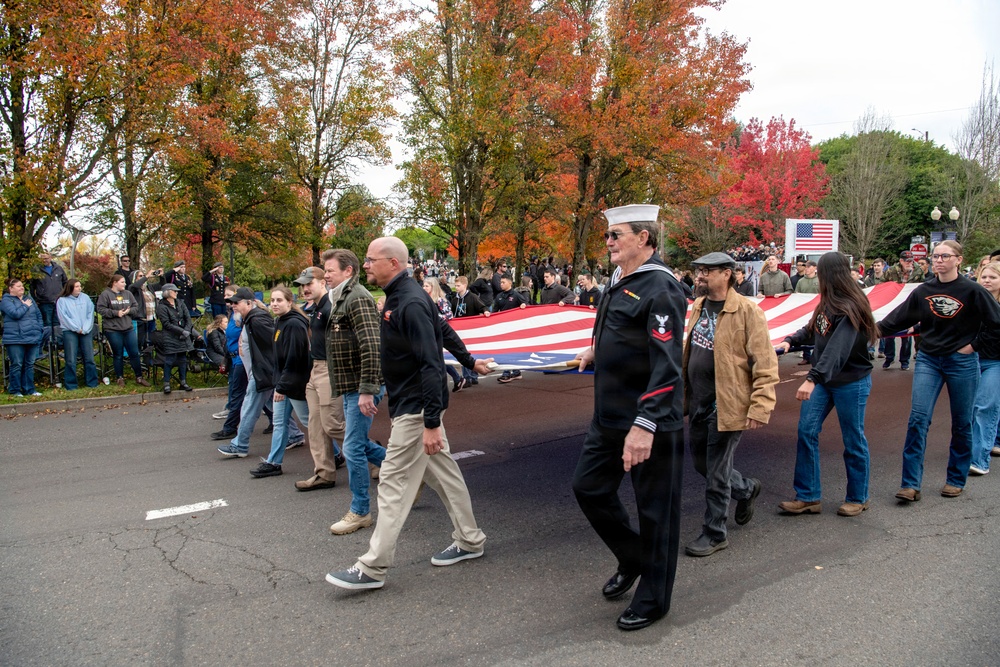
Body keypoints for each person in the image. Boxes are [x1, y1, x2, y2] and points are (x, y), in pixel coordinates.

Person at [325, 236, 492, 591]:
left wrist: (431, 423)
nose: (366, 265)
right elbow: (442, 329)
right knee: (444, 475)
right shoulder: (405, 296)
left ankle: (373, 567)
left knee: (393, 483)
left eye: (371, 260)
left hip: (416, 409)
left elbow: (431, 366)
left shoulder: (410, 301)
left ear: (394, 264)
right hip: (413, 405)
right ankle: (470, 539)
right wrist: (471, 361)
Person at [571, 204, 687, 632]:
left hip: (648, 422)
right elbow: (619, 332)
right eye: (608, 235)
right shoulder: (619, 282)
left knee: (656, 512)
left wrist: (646, 424)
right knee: (588, 488)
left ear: (645, 238)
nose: (609, 241)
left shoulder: (661, 288)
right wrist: (594, 350)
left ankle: (655, 598)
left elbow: (667, 364)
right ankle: (634, 557)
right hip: (609, 418)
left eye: (617, 234)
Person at [877, 241, 1000, 502]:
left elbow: (996, 324)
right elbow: (897, 319)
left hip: (962, 363)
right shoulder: (924, 291)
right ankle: (910, 484)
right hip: (929, 361)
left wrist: (973, 346)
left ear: (959, 259)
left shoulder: (973, 291)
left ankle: (955, 479)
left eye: (945, 256)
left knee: (962, 422)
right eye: (936, 256)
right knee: (918, 419)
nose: (939, 260)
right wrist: (866, 328)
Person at [681, 252, 778, 557]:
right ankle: (747, 489)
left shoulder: (748, 311)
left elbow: (765, 362)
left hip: (728, 405)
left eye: (706, 271)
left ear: (727, 274)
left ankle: (714, 533)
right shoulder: (697, 306)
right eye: (698, 271)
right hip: (697, 400)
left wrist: (760, 407)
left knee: (717, 473)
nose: (699, 276)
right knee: (701, 464)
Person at [776, 252, 877, 517]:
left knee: (853, 439)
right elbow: (814, 329)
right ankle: (808, 496)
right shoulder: (828, 301)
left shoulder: (852, 306)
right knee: (807, 431)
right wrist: (791, 340)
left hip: (850, 381)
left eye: (821, 272)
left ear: (830, 274)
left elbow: (837, 349)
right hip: (826, 380)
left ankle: (858, 496)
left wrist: (812, 379)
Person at [322, 250, 389, 534]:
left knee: (351, 447)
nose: (325, 274)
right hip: (352, 385)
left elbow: (371, 345)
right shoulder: (340, 297)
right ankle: (409, 469)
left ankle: (361, 511)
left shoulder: (357, 297)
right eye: (324, 270)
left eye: (330, 270)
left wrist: (366, 390)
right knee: (356, 444)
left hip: (360, 386)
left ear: (348, 271)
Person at [291, 266, 348, 491]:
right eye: (302, 285)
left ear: (322, 282)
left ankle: (377, 459)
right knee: (315, 426)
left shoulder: (330, 306)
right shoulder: (315, 308)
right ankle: (324, 473)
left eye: (309, 283)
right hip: (316, 370)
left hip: (329, 369)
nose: (305, 289)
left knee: (333, 425)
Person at [250, 286, 310, 478]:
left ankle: (336, 454)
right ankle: (274, 462)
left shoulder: (293, 324)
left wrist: (281, 387)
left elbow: (294, 358)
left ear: (289, 302)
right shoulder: (280, 321)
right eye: (272, 300)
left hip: (294, 385)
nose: (274, 304)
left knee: (310, 423)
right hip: (284, 383)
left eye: (279, 300)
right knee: (279, 423)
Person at [217, 286, 275, 458]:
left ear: (249, 303)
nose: (233, 305)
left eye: (236, 302)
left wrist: (266, 369)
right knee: (278, 407)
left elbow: (274, 345)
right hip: (261, 372)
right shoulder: (249, 318)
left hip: (262, 373)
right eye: (231, 303)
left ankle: (240, 445)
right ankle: (295, 436)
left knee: (249, 407)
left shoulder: (257, 320)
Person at [968, 261, 1000, 476]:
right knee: (968, 408)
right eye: (984, 277)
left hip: (996, 361)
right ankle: (967, 452)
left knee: (985, 406)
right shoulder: (972, 299)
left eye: (993, 278)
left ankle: (979, 460)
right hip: (971, 360)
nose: (987, 281)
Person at [96, 275, 151, 388]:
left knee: (134, 353)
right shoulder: (105, 294)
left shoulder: (127, 294)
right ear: (115, 283)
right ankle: (119, 377)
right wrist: (116, 313)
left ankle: (139, 377)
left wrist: (129, 311)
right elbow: (101, 309)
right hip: (113, 329)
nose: (125, 284)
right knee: (118, 354)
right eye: (122, 282)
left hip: (128, 328)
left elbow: (136, 307)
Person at [881, 251, 925, 371]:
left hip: (910, 305)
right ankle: (889, 358)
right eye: (907, 261)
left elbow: (923, 286)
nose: (910, 263)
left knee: (907, 334)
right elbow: (882, 286)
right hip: (893, 304)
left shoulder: (918, 270)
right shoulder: (891, 271)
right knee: (889, 332)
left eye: (911, 260)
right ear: (901, 261)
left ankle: (904, 361)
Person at [2, 278, 44, 396]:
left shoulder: (29, 299)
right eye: (18, 286)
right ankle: (15, 390)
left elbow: (38, 315)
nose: (22, 288)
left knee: (29, 364)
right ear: (11, 288)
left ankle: (29, 389)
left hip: (32, 337)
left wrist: (39, 329)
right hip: (15, 338)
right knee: (17, 364)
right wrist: (25, 306)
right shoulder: (6, 301)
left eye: (22, 286)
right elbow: (15, 314)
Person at [56, 279, 99, 390]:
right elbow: (64, 317)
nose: (79, 288)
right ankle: (71, 384)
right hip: (70, 331)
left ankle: (92, 382)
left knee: (89, 357)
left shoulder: (85, 298)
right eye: (76, 286)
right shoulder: (62, 300)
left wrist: (85, 328)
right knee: (71, 359)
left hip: (85, 331)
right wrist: (76, 328)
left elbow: (90, 314)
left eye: (80, 286)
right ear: (70, 288)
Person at [424, 278, 466, 392]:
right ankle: (456, 379)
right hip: (428, 332)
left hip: (438, 332)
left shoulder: (439, 300)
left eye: (427, 286)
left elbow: (449, 314)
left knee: (436, 357)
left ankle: (455, 379)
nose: (424, 288)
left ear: (433, 287)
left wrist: (434, 318)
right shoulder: (423, 300)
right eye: (424, 286)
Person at [155, 283, 196, 394]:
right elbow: (166, 324)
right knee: (169, 360)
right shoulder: (161, 306)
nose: (176, 292)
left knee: (183, 359)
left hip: (183, 335)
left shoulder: (180, 303)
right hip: (170, 336)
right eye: (174, 291)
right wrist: (181, 331)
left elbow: (188, 318)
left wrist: (186, 331)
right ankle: (166, 383)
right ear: (167, 292)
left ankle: (183, 382)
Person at [488, 274, 527, 384]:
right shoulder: (499, 296)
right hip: (503, 327)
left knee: (511, 349)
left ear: (510, 283)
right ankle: (515, 371)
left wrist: (524, 305)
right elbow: (495, 311)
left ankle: (507, 373)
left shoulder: (516, 295)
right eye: (500, 282)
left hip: (514, 327)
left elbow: (527, 304)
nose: (501, 284)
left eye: (503, 282)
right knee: (505, 349)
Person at [449, 276, 487, 387]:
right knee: (463, 351)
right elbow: (452, 313)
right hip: (460, 330)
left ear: (464, 286)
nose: (456, 288)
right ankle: (467, 378)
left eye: (458, 286)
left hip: (471, 329)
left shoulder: (473, 297)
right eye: (455, 285)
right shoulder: (455, 299)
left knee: (472, 352)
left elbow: (482, 307)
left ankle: (473, 376)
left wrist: (485, 311)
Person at [30, 252, 67, 328]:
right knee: (47, 324)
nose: (44, 260)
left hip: (58, 301)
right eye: (42, 258)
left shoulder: (58, 269)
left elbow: (65, 282)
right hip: (44, 302)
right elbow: (32, 286)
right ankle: (48, 339)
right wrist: (35, 299)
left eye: (46, 258)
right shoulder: (36, 270)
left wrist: (65, 296)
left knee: (58, 323)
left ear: (50, 258)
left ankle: (57, 339)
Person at [128, 268, 161, 354]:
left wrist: (162, 276)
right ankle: (137, 361)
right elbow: (135, 286)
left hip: (151, 318)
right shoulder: (132, 288)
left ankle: (148, 362)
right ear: (135, 278)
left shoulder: (148, 287)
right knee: (139, 341)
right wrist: (146, 276)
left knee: (150, 341)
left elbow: (161, 285)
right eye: (140, 276)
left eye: (143, 275)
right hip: (140, 319)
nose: (143, 277)